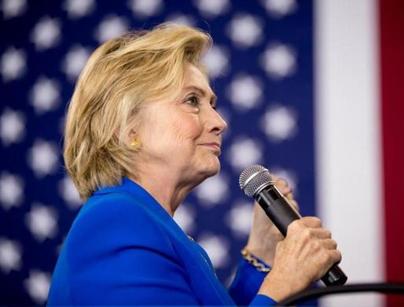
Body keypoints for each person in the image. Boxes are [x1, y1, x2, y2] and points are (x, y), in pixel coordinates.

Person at [47, 23, 341, 305]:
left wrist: (262, 253)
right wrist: (284, 283)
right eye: (191, 100)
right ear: (127, 129)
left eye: (211, 104)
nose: (219, 122)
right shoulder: (116, 222)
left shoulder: (145, 220)